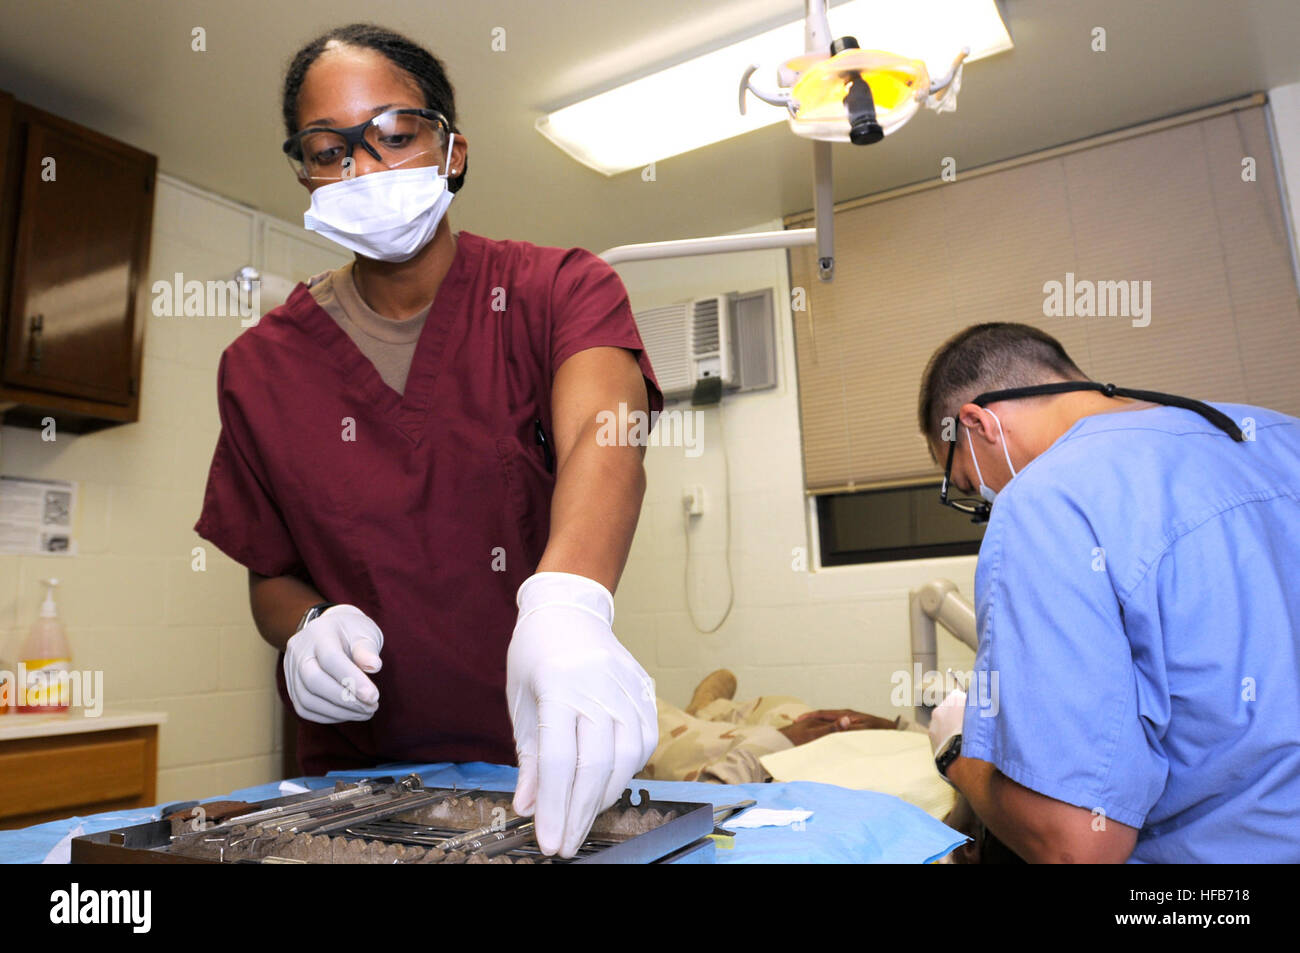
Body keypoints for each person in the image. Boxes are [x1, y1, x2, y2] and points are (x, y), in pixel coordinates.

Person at [193, 23, 662, 859]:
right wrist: (306, 624)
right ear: (304, 171)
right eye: (329, 149)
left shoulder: (558, 289)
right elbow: (271, 571)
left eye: (395, 136)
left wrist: (567, 604)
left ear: (452, 150)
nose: (364, 168)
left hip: (543, 755)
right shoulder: (259, 366)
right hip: (357, 788)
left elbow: (606, 432)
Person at [917, 322, 1300, 863]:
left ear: (977, 424)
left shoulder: (1044, 500)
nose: (987, 501)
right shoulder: (1281, 436)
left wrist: (956, 750)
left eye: (970, 485)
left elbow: (1081, 848)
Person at [639, 669, 906, 784]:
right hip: (864, 745)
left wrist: (777, 743)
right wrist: (898, 728)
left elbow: (709, 800)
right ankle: (708, 708)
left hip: (786, 771)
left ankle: (688, 721)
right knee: (790, 710)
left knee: (650, 721)